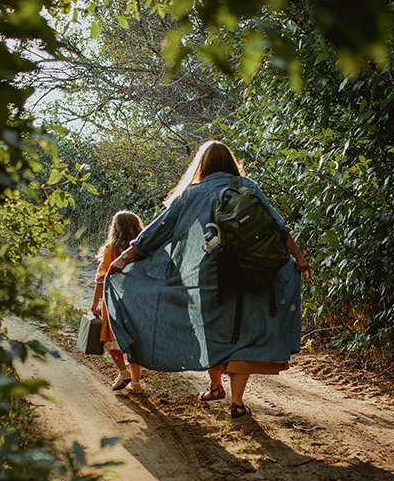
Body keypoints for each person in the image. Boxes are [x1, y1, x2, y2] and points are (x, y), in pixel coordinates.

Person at [105, 140, 309, 418]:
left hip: (211, 276)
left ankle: (215, 385)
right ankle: (237, 401)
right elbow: (278, 226)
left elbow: (159, 230)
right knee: (244, 335)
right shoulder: (247, 187)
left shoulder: (192, 195)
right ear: (230, 163)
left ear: (202, 165)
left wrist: (126, 257)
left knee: (211, 329)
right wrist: (298, 257)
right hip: (252, 270)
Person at [92, 210, 145, 393]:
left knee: (110, 338)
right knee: (133, 341)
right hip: (137, 300)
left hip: (113, 300)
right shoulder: (142, 249)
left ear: (115, 228)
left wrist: (95, 303)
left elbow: (102, 278)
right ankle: (136, 383)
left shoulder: (111, 249)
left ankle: (123, 372)